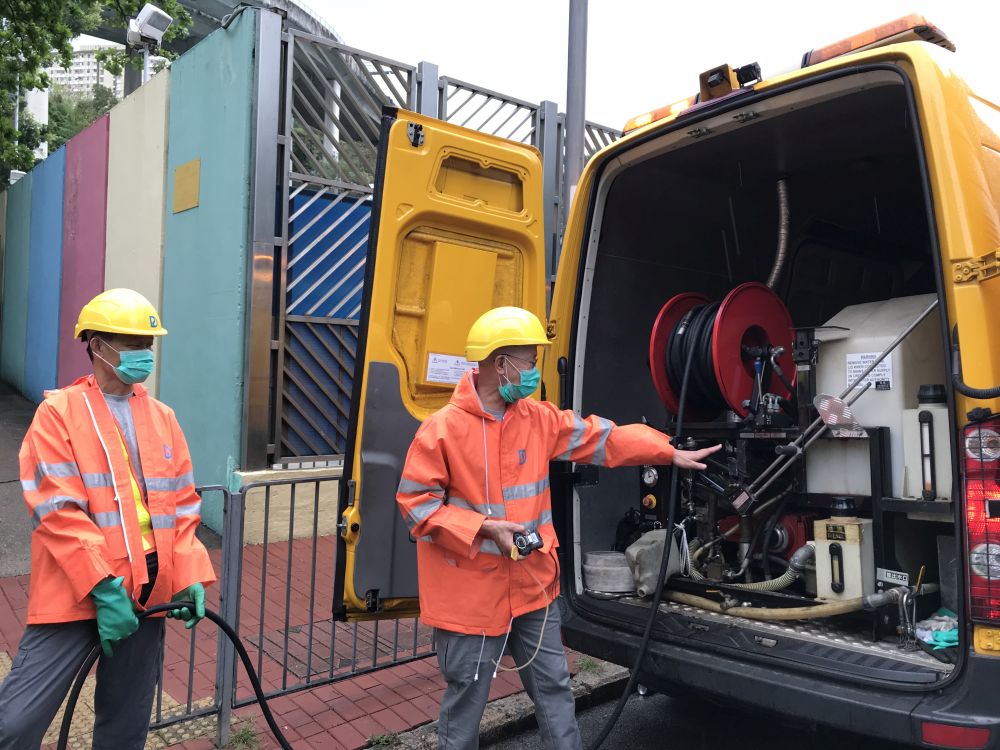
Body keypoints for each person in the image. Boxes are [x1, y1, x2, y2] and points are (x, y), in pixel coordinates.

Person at [396, 306, 720, 749]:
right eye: (529, 361)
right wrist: (486, 529)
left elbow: (600, 438)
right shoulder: (442, 431)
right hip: (471, 600)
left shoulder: (537, 419)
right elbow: (417, 507)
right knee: (466, 703)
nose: (533, 371)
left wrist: (665, 452)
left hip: (532, 589)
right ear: (499, 363)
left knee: (554, 690)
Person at [0, 288, 217, 749]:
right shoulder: (58, 414)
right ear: (97, 346)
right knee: (15, 725)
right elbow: (57, 510)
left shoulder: (163, 418)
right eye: (130, 343)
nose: (142, 354)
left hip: (147, 593)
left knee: (125, 725)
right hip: (80, 593)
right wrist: (103, 588)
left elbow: (181, 506)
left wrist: (188, 575)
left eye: (147, 344)